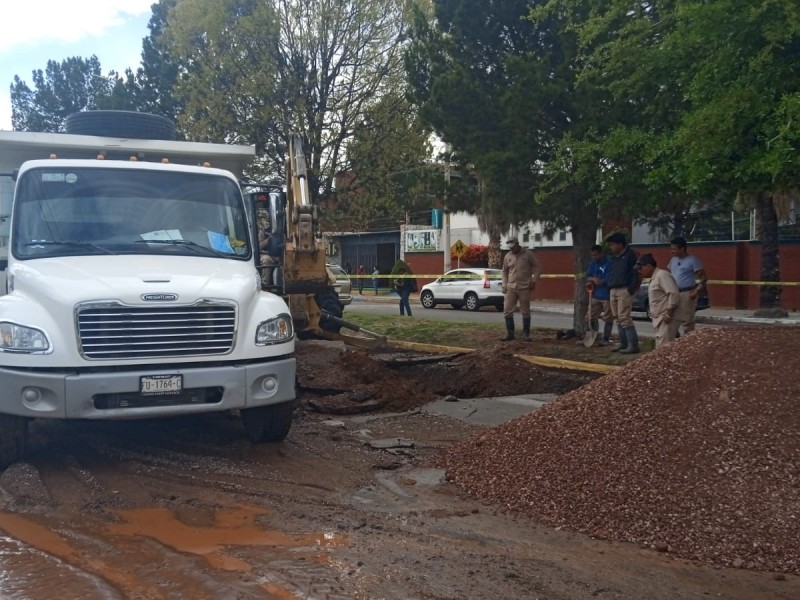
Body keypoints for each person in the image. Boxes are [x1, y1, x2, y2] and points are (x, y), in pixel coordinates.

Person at [636, 253, 683, 348]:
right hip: (659, 319)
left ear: (649, 266)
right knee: (662, 349)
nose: (639, 271)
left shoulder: (662, 275)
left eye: (641, 268)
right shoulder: (654, 277)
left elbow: (673, 293)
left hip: (666, 318)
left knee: (664, 348)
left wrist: (669, 313)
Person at [501, 237, 541, 342]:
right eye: (510, 247)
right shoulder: (507, 256)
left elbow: (537, 267)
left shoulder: (528, 254)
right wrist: (504, 284)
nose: (511, 249)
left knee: (525, 311)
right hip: (511, 287)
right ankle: (510, 334)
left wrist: (534, 280)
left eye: (513, 247)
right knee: (507, 310)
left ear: (517, 244)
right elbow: (504, 271)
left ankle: (526, 334)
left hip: (524, 286)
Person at [606, 232, 640, 354]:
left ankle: (633, 345)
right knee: (617, 318)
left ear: (620, 244)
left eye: (612, 244)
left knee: (624, 317)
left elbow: (637, 273)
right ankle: (623, 343)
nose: (611, 247)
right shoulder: (614, 258)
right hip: (613, 288)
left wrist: (632, 288)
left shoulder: (631, 255)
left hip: (624, 289)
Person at [668, 236, 708, 335]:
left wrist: (696, 291)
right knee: (672, 318)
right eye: (671, 248)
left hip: (687, 293)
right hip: (674, 292)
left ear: (682, 248)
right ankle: (674, 343)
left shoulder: (692, 260)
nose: (672, 251)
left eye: (674, 249)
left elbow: (703, 278)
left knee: (687, 320)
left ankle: (687, 343)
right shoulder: (673, 260)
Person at [585, 244, 613, 346]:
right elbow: (588, 276)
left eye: (596, 255)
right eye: (592, 255)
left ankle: (605, 338)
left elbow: (607, 279)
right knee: (590, 316)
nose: (594, 257)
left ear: (601, 253)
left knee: (608, 318)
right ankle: (593, 335)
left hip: (607, 295)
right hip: (595, 295)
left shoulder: (609, 263)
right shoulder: (592, 264)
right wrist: (591, 280)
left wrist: (600, 281)